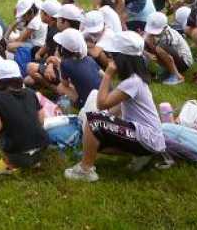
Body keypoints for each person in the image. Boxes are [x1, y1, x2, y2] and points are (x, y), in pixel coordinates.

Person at [64, 31, 166, 182]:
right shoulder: (135, 80)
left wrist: (107, 74)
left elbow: (101, 103)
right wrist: (102, 125)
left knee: (94, 121)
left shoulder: (133, 82)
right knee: (96, 137)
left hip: (147, 138)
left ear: (122, 59)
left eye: (112, 55)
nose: (110, 58)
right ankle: (141, 155)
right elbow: (117, 107)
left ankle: (85, 170)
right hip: (148, 138)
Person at [0, 58, 49, 174]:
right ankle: (34, 161)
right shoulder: (31, 93)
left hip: (18, 156)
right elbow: (41, 120)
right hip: (41, 151)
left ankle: (9, 164)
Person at [53, 22, 102, 110]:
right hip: (104, 97)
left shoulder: (65, 64)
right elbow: (103, 75)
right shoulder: (88, 59)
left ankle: (76, 104)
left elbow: (65, 84)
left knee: (61, 87)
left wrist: (59, 65)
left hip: (90, 104)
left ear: (63, 48)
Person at [143, 12, 193, 85]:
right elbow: (143, 40)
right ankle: (167, 70)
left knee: (159, 49)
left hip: (184, 62)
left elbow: (168, 56)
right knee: (148, 44)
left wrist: (151, 46)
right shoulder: (155, 32)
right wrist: (147, 54)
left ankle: (176, 76)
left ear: (165, 27)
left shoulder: (169, 37)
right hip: (173, 57)